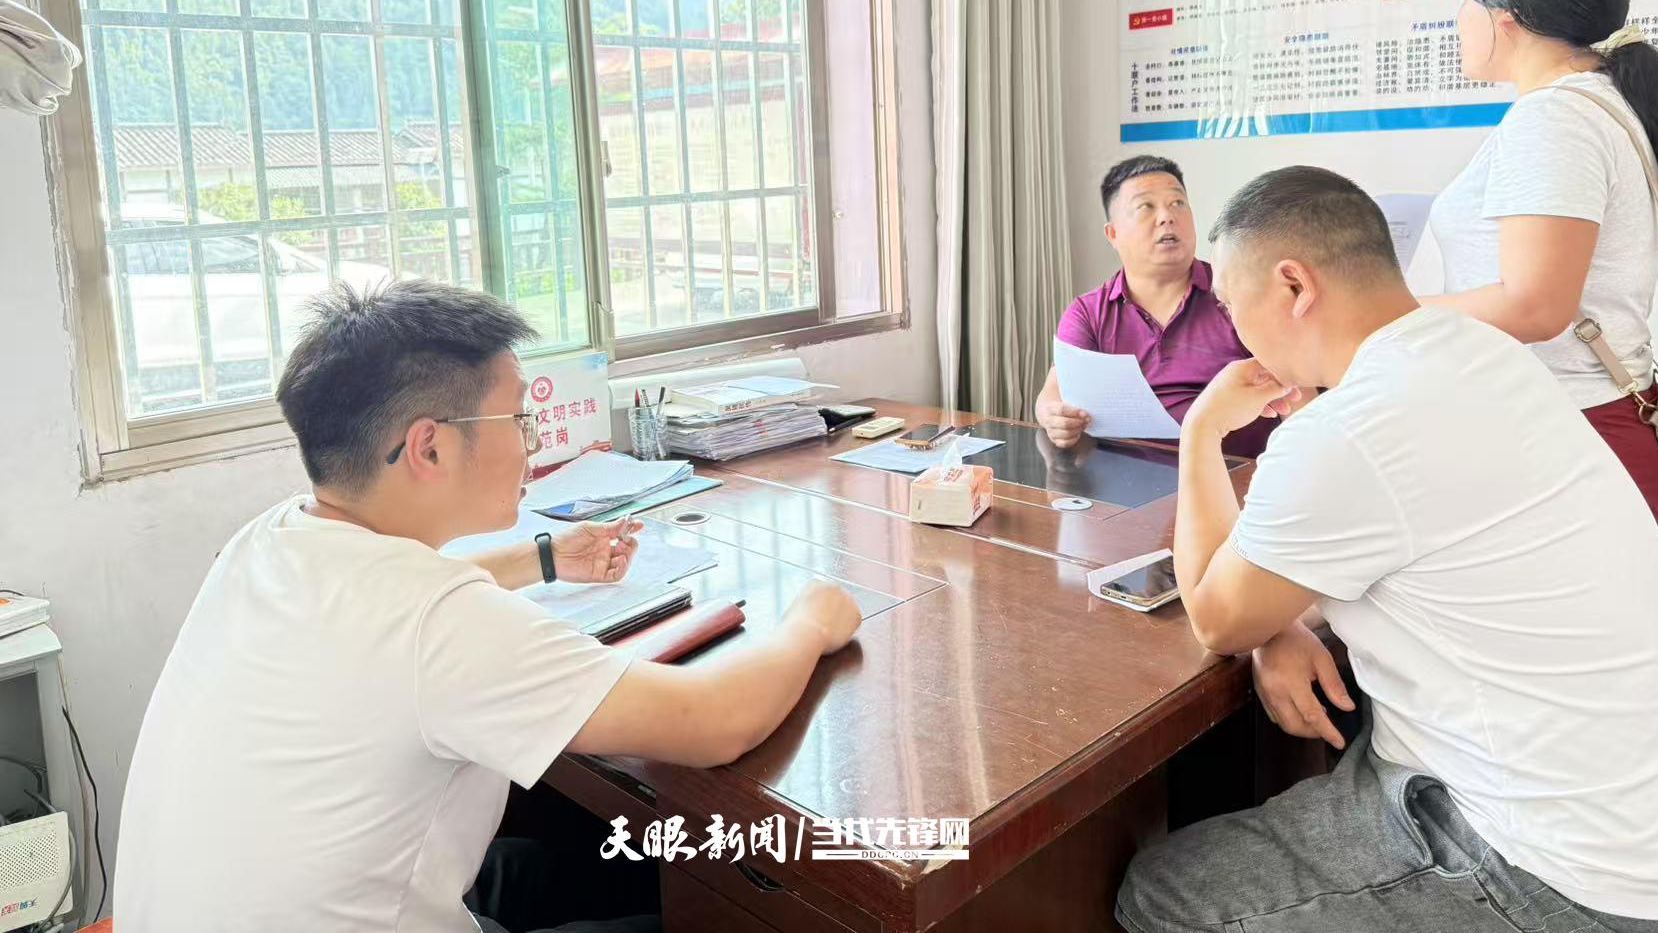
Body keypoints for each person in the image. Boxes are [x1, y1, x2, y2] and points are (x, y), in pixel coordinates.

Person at [115, 281, 865, 932]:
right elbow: (714, 723)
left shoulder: (269, 540)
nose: (532, 444)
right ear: (429, 448)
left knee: (566, 859)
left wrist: (544, 558)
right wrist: (810, 622)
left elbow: (400, 606)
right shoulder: (437, 623)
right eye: (518, 419)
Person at [1114, 166, 1658, 933]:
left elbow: (1217, 619)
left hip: (1547, 873)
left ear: (1292, 286)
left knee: (1158, 892)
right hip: (1641, 830)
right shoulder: (1475, 350)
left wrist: (1201, 431)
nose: (1234, 333)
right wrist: (1276, 621)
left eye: (1231, 305)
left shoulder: (1350, 429)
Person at [1425, 0, 1658, 537]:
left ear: (1506, 17)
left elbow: (1536, 306)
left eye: (1465, 1)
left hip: (1570, 440)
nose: (1458, 19)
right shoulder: (1598, 104)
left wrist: (1386, 311)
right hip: (1589, 431)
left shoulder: (1554, 119)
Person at [1034, 156, 1277, 458]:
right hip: (1123, 475)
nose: (1167, 217)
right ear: (1113, 234)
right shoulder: (1089, 313)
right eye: (1146, 207)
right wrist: (1053, 416)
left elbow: (1297, 390)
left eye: (1177, 203)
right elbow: (1054, 390)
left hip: (1233, 472)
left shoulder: (1236, 292)